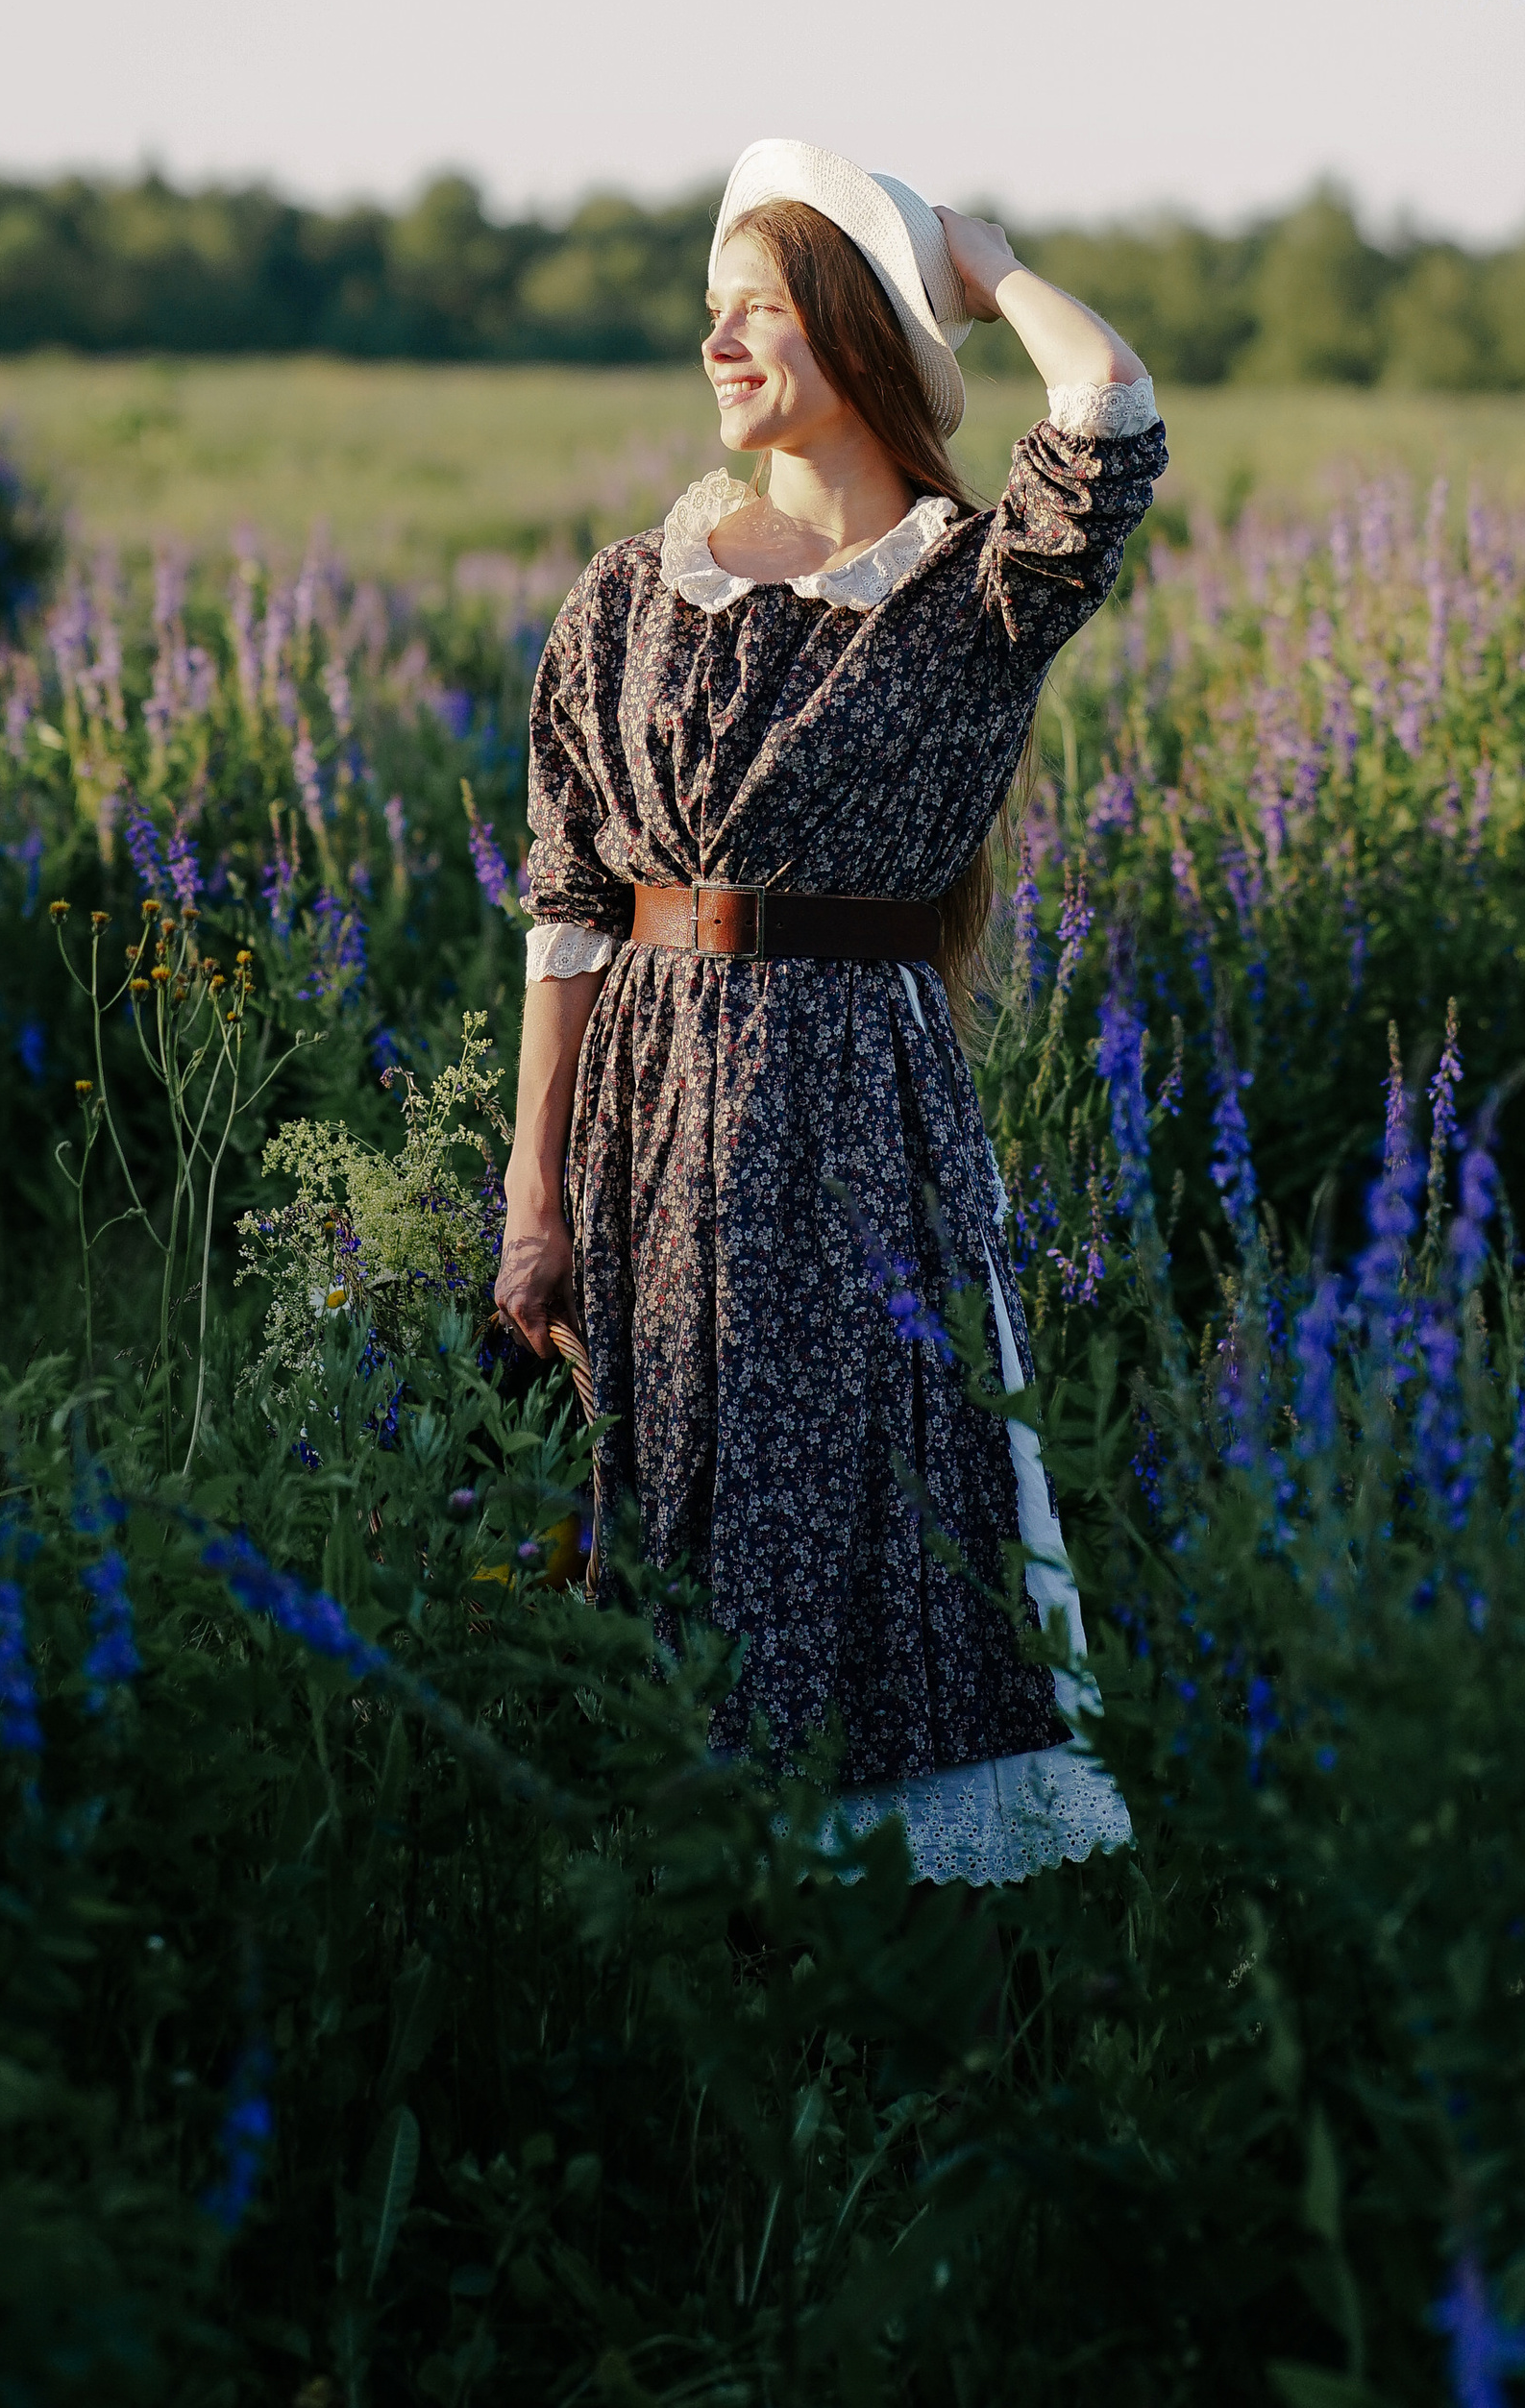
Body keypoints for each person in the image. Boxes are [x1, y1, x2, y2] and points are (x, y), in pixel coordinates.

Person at [494, 136, 1167, 1883]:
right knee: (667, 1511)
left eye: (760, 311)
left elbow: (1108, 406)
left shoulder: (974, 591)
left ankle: (869, 1938)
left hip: (854, 1117)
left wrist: (983, 258)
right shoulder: (631, 593)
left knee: (870, 1505)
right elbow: (567, 905)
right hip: (646, 1112)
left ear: (857, 332)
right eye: (708, 316)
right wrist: (532, 1194)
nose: (717, 348)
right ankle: (687, 1921)